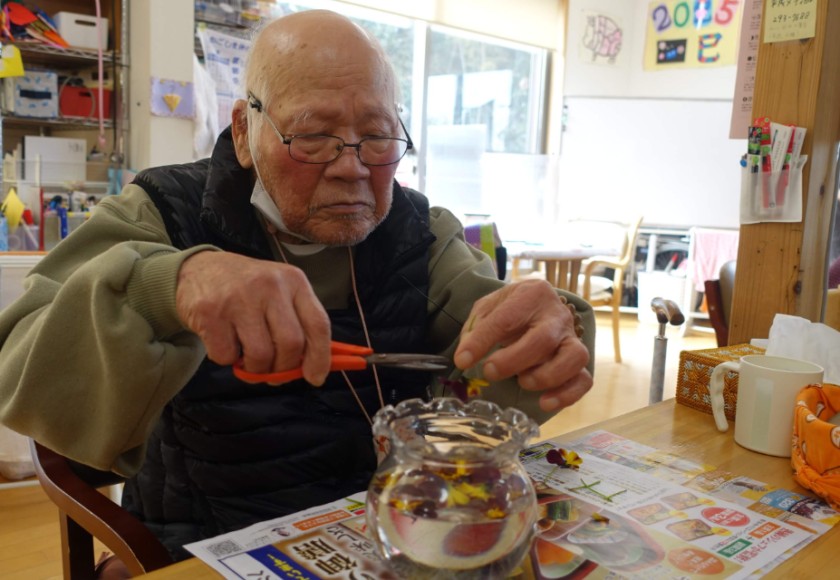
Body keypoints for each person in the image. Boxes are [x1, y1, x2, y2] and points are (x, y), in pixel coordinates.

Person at [0, 10, 594, 563]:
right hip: (206, 543)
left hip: (391, 528)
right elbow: (19, 362)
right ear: (243, 131)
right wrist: (173, 281)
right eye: (313, 136)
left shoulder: (417, 229)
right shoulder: (162, 211)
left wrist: (547, 322)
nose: (352, 166)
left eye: (379, 136)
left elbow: (494, 325)